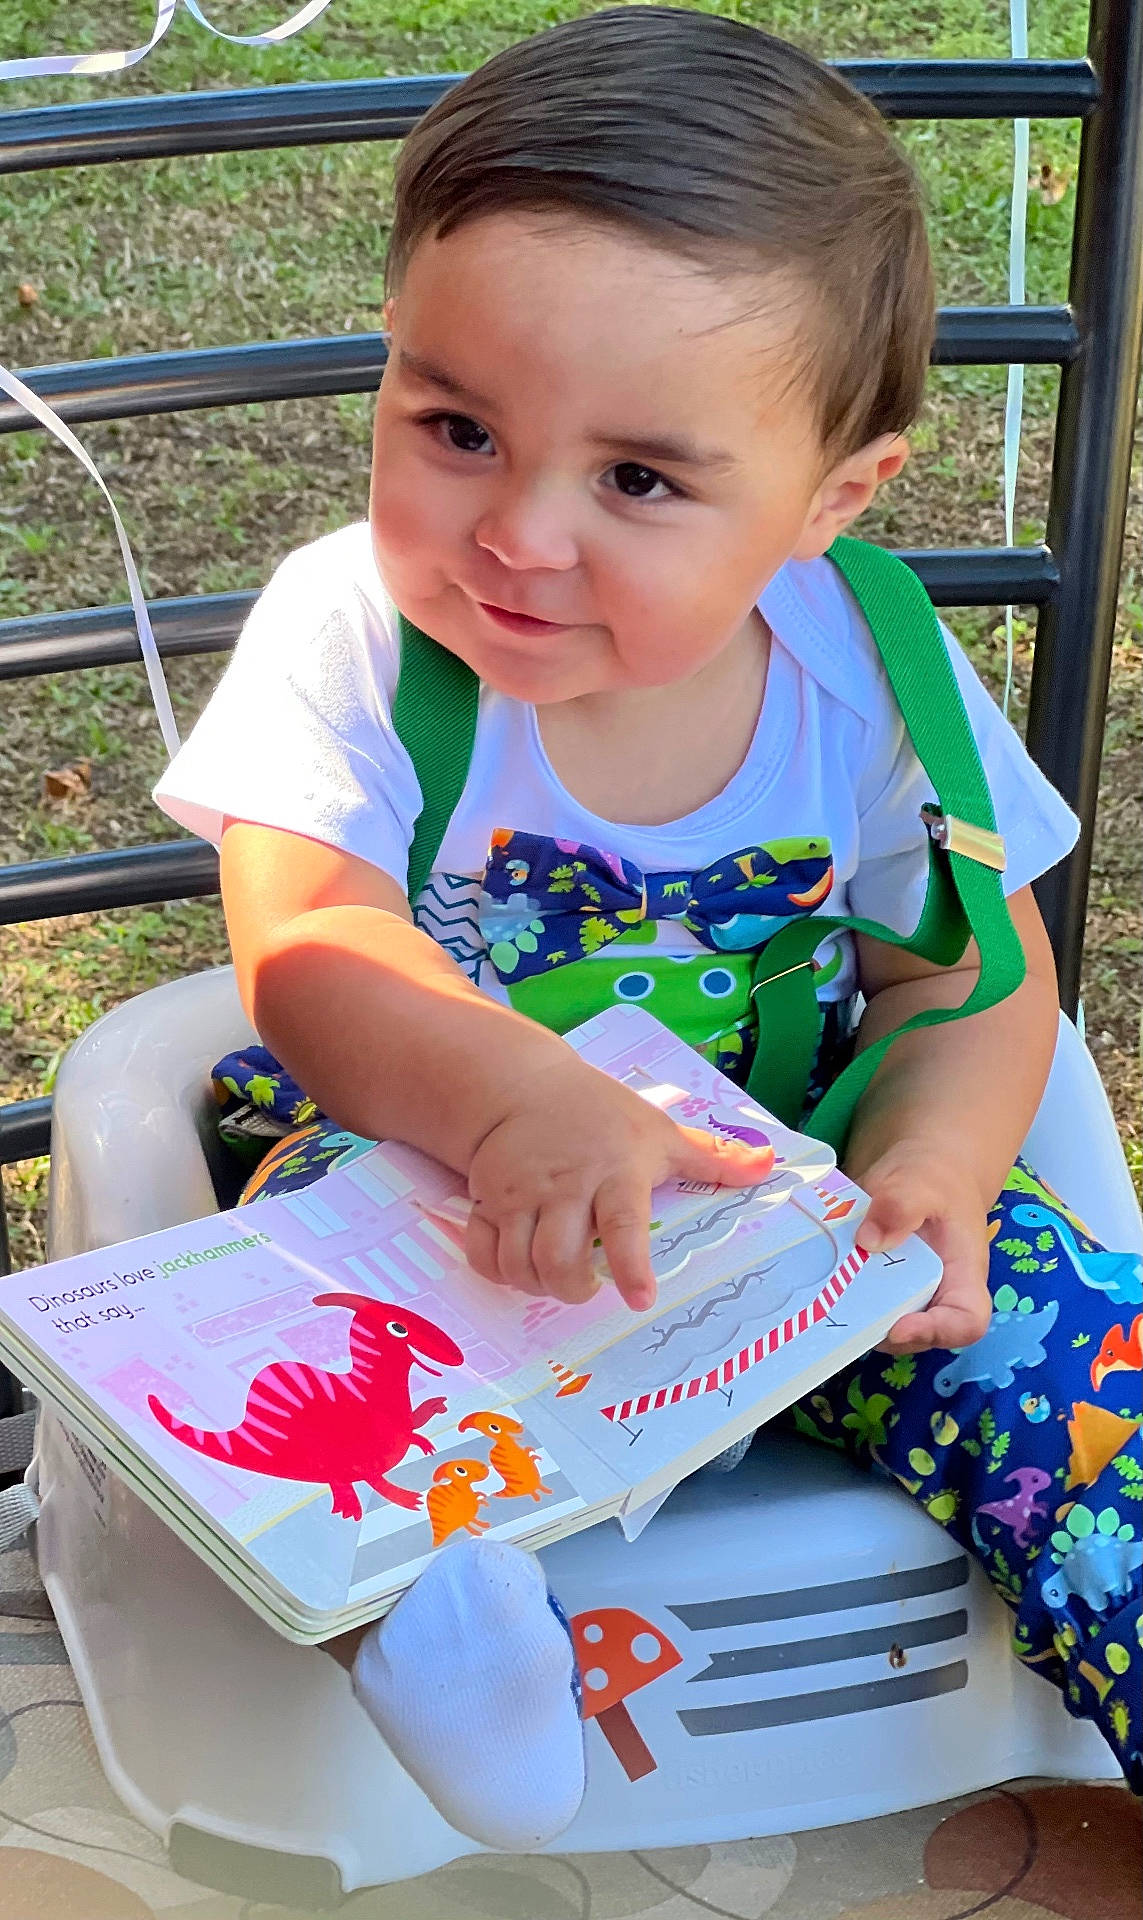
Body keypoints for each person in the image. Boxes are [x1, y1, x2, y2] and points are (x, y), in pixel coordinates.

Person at [154, 7, 1142, 1846]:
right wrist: (509, 1107)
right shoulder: (352, 630)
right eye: (456, 428)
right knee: (293, 1323)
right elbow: (309, 946)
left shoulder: (872, 670)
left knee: (1091, 1368)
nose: (518, 536)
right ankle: (444, 1625)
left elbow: (968, 973)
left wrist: (927, 1171)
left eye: (638, 481)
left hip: (796, 1207)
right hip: (446, 1186)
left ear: (830, 500)